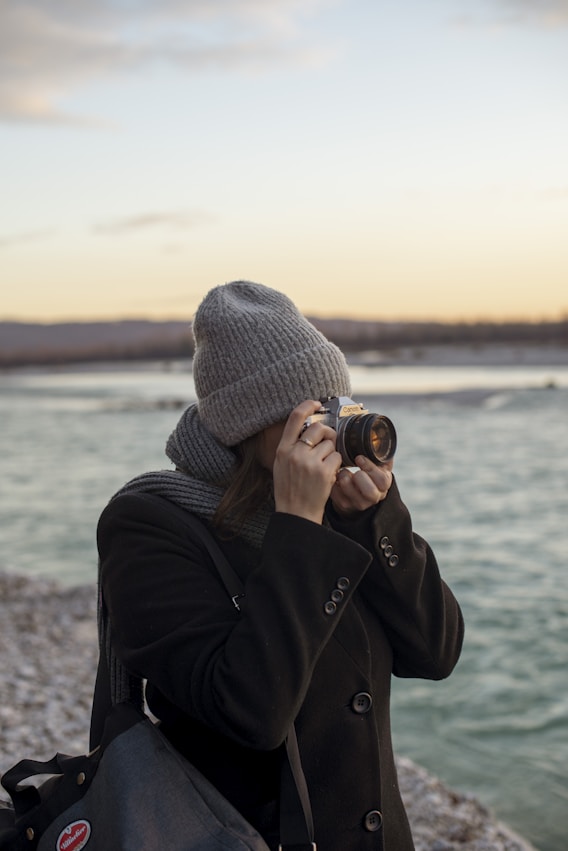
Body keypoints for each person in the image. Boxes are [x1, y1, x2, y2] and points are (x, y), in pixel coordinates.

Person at [91, 280, 464, 850]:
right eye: (310, 411)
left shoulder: (334, 510)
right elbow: (250, 712)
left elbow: (437, 652)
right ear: (250, 423)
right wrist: (298, 529)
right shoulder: (148, 526)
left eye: (335, 407)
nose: (330, 428)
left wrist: (376, 517)